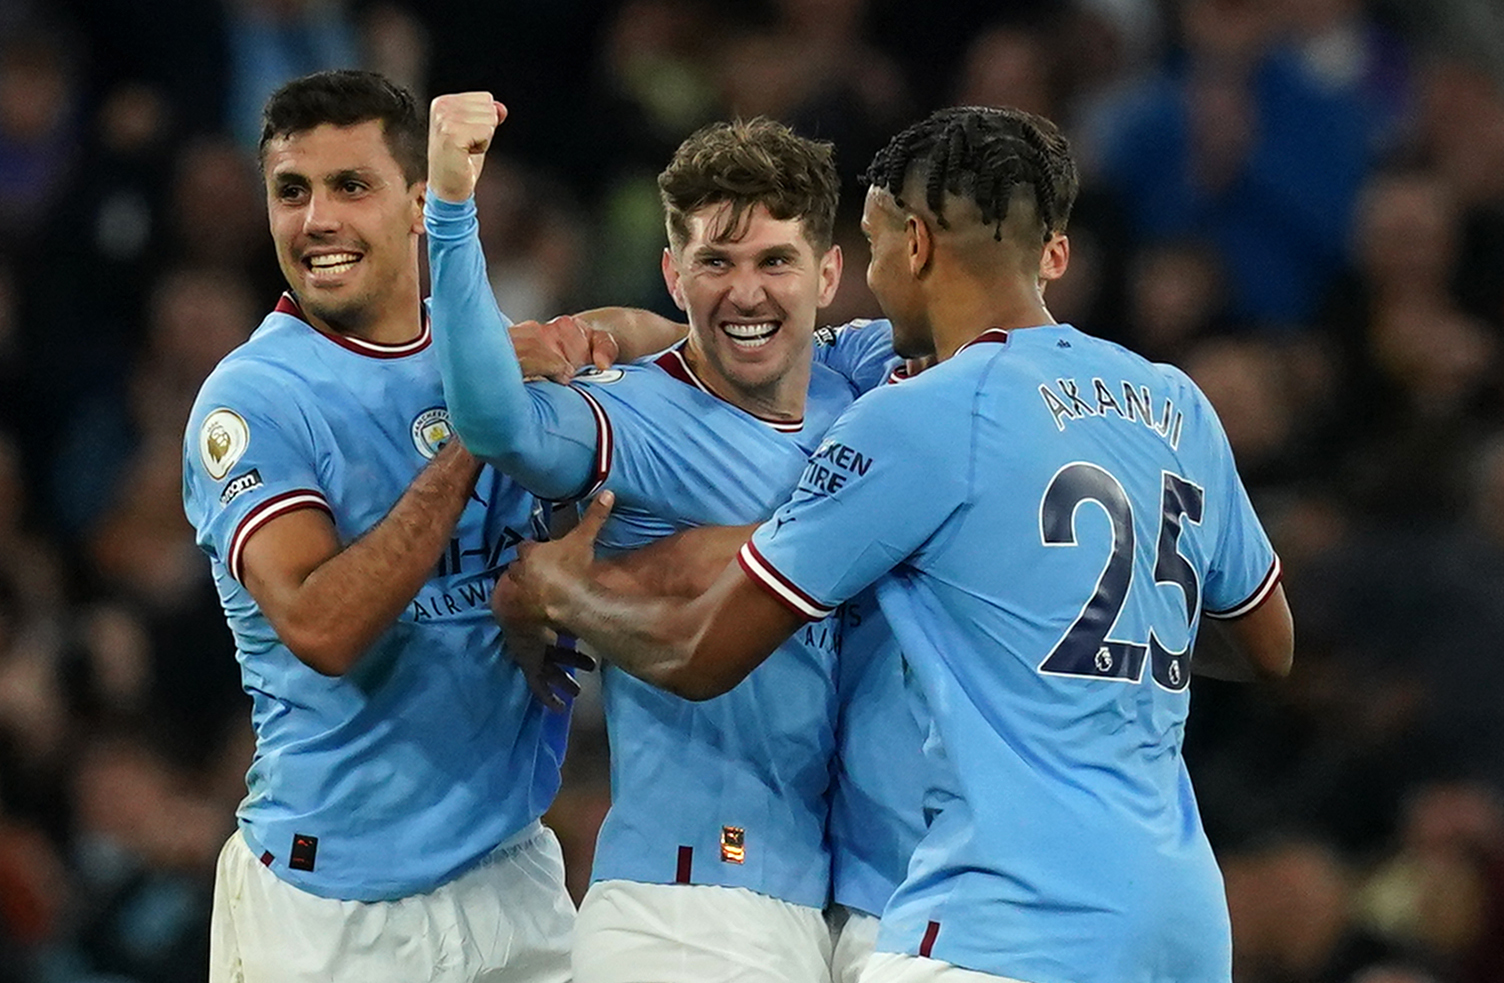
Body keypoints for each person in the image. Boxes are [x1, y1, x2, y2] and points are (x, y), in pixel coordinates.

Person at [495, 105, 1295, 983]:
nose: (869, 280)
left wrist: (558, 593)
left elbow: (700, 655)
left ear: (914, 244)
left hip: (997, 923)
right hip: (1179, 921)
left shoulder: (916, 418)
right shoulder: (1174, 400)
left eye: (872, 248)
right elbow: (1267, 644)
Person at [181, 69, 678, 983]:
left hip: (513, 881)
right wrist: (475, 433)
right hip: (332, 916)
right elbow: (324, 628)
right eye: (292, 192)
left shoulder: (481, 343)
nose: (317, 220)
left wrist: (551, 591)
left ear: (420, 203)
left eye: (350, 187)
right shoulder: (255, 399)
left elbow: (665, 367)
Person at [425, 92, 912, 982]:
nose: (748, 291)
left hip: (817, 903)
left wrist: (612, 324)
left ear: (830, 273)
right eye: (715, 263)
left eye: (776, 260)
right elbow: (496, 421)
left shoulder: (860, 384)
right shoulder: (638, 412)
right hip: (683, 904)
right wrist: (452, 209)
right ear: (674, 271)